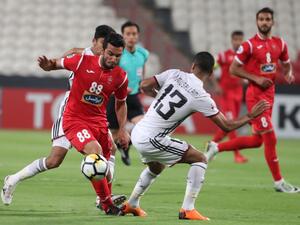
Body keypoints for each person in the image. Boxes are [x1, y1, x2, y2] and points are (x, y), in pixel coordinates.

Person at [120, 52, 269, 220]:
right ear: (211, 73)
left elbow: (145, 85)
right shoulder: (201, 96)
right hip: (152, 139)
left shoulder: (174, 73)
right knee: (200, 158)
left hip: (138, 131)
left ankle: (131, 204)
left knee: (156, 167)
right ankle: (187, 209)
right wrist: (250, 116)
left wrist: (159, 95)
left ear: (192, 66)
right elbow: (226, 125)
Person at [2, 32, 130, 215]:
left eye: (118, 55)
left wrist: (123, 130)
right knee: (95, 154)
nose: (113, 58)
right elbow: (56, 63)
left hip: (99, 122)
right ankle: (106, 203)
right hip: (73, 119)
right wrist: (48, 66)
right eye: (110, 53)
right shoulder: (82, 61)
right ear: (103, 50)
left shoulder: (120, 76)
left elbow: (121, 103)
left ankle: (103, 198)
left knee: (98, 161)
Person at [205, 7, 299, 193]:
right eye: (261, 19)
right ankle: (279, 182)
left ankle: (216, 147)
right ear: (257, 22)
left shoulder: (280, 44)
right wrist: (255, 78)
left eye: (267, 19)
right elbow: (233, 69)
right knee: (270, 137)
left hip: (270, 94)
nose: (264, 22)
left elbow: (286, 63)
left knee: (257, 140)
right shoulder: (248, 45)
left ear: (273, 22)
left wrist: (288, 72)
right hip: (255, 95)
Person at [107, 21, 149, 166]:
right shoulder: (117, 54)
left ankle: (125, 147)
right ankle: (108, 164)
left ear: (138, 36)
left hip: (133, 97)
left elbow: (141, 69)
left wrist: (141, 83)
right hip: (116, 98)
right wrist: (119, 87)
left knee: (143, 127)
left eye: (134, 34)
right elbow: (110, 73)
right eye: (128, 34)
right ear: (123, 36)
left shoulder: (143, 53)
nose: (131, 37)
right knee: (114, 133)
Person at [212, 30, 248, 163]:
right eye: (236, 40)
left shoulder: (245, 57)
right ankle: (237, 155)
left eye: (240, 40)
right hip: (226, 94)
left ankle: (211, 145)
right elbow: (212, 67)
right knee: (231, 123)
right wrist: (216, 85)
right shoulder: (223, 56)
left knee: (228, 126)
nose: (238, 42)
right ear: (231, 40)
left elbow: (246, 73)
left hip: (238, 94)